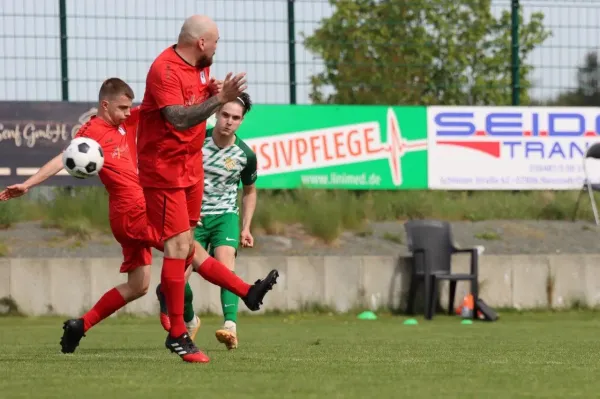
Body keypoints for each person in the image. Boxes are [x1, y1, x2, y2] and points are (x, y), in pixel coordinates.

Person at [0, 78, 277, 362]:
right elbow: (63, 158)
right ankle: (245, 292)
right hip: (133, 213)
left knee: (138, 285)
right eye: (121, 108)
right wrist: (28, 184)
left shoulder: (128, 120)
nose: (126, 113)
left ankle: (80, 325)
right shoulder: (91, 132)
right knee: (188, 248)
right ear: (105, 105)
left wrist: (207, 93)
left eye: (128, 107)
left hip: (132, 213)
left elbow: (169, 108)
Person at [136, 14, 262, 363]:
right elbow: (177, 117)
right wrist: (219, 98)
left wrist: (212, 91)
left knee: (186, 246)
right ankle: (178, 331)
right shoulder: (165, 69)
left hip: (189, 168)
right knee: (177, 245)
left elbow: (196, 101)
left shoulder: (201, 68)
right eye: (216, 41)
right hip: (164, 169)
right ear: (201, 43)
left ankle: (232, 298)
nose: (218, 47)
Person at [156, 92, 257, 350]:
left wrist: (245, 226)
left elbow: (249, 191)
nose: (229, 121)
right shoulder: (197, 140)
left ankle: (230, 327)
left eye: (235, 117)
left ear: (242, 120)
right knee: (176, 279)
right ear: (216, 114)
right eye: (225, 115)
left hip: (225, 216)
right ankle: (190, 320)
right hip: (193, 218)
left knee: (225, 267)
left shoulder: (245, 154)